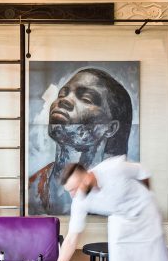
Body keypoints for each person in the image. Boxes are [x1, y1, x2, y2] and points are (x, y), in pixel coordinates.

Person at [46, 156, 168, 261]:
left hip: (146, 217)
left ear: (86, 177)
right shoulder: (80, 200)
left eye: (74, 188)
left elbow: (142, 172)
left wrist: (144, 197)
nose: (73, 195)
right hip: (121, 222)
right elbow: (71, 239)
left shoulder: (113, 168)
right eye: (69, 191)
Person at [29, 68, 133, 215]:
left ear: (110, 128)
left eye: (86, 99)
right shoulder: (31, 187)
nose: (64, 100)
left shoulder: (119, 184)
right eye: (62, 94)